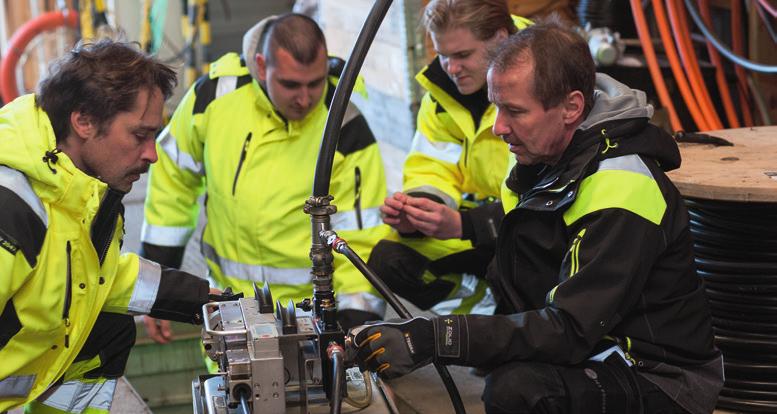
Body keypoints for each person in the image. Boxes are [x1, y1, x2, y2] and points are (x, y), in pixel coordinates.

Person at [349, 18, 723, 414]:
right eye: (496, 107)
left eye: (514, 111)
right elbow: (519, 229)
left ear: (571, 107)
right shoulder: (547, 156)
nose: (498, 128)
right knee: (395, 258)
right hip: (590, 341)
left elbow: (570, 328)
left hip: (655, 372)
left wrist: (439, 337)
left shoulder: (623, 189)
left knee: (520, 390)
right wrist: (453, 226)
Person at [140, 13, 389, 342]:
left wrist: (354, 327)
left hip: (312, 321)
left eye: (315, 83)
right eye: (290, 84)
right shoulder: (213, 100)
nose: (304, 98)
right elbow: (172, 185)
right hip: (231, 316)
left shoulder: (343, 124)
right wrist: (158, 289)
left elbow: (363, 234)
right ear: (260, 66)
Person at [0, 40, 212, 413]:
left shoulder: (81, 189)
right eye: (139, 135)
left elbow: (92, 277)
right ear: (83, 121)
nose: (152, 154)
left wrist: (203, 300)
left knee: (108, 332)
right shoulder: (12, 207)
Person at [367, 0, 531, 315]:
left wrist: (467, 225)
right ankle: (489, 321)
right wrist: (419, 212)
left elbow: (544, 197)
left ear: (500, 39)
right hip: (481, 231)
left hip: (535, 233)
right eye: (442, 55)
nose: (451, 69)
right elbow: (431, 169)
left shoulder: (544, 79)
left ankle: (521, 328)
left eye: (462, 55)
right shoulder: (439, 100)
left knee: (522, 258)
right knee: (390, 261)